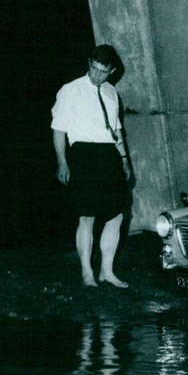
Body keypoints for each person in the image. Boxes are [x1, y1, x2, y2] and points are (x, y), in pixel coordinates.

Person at [51, 44, 132, 288]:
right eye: (94, 68)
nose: (97, 75)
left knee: (116, 215)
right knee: (86, 216)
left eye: (103, 71)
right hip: (84, 154)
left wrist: (125, 160)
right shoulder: (70, 90)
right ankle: (87, 273)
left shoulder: (111, 92)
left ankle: (106, 271)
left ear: (112, 71)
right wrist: (62, 162)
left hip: (109, 155)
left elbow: (116, 129)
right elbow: (59, 129)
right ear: (89, 63)